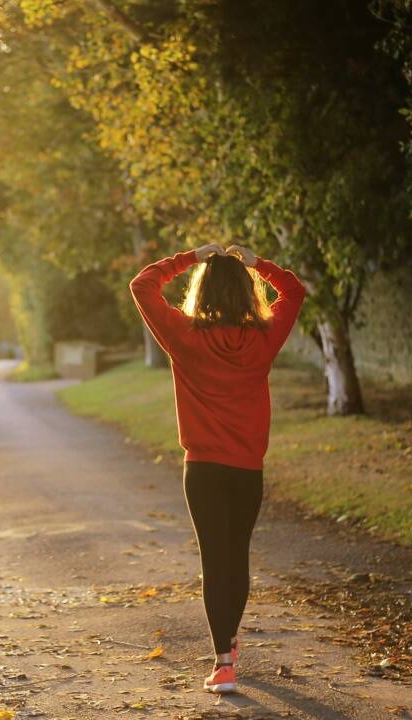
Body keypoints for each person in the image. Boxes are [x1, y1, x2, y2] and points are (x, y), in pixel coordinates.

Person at [128, 242, 306, 695]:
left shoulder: (184, 335)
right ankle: (228, 643)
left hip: (203, 469)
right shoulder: (264, 337)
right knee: (237, 555)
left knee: (215, 559)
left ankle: (223, 661)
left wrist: (190, 257)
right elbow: (295, 291)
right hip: (247, 469)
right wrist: (258, 264)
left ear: (201, 292)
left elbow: (143, 285)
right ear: (247, 294)